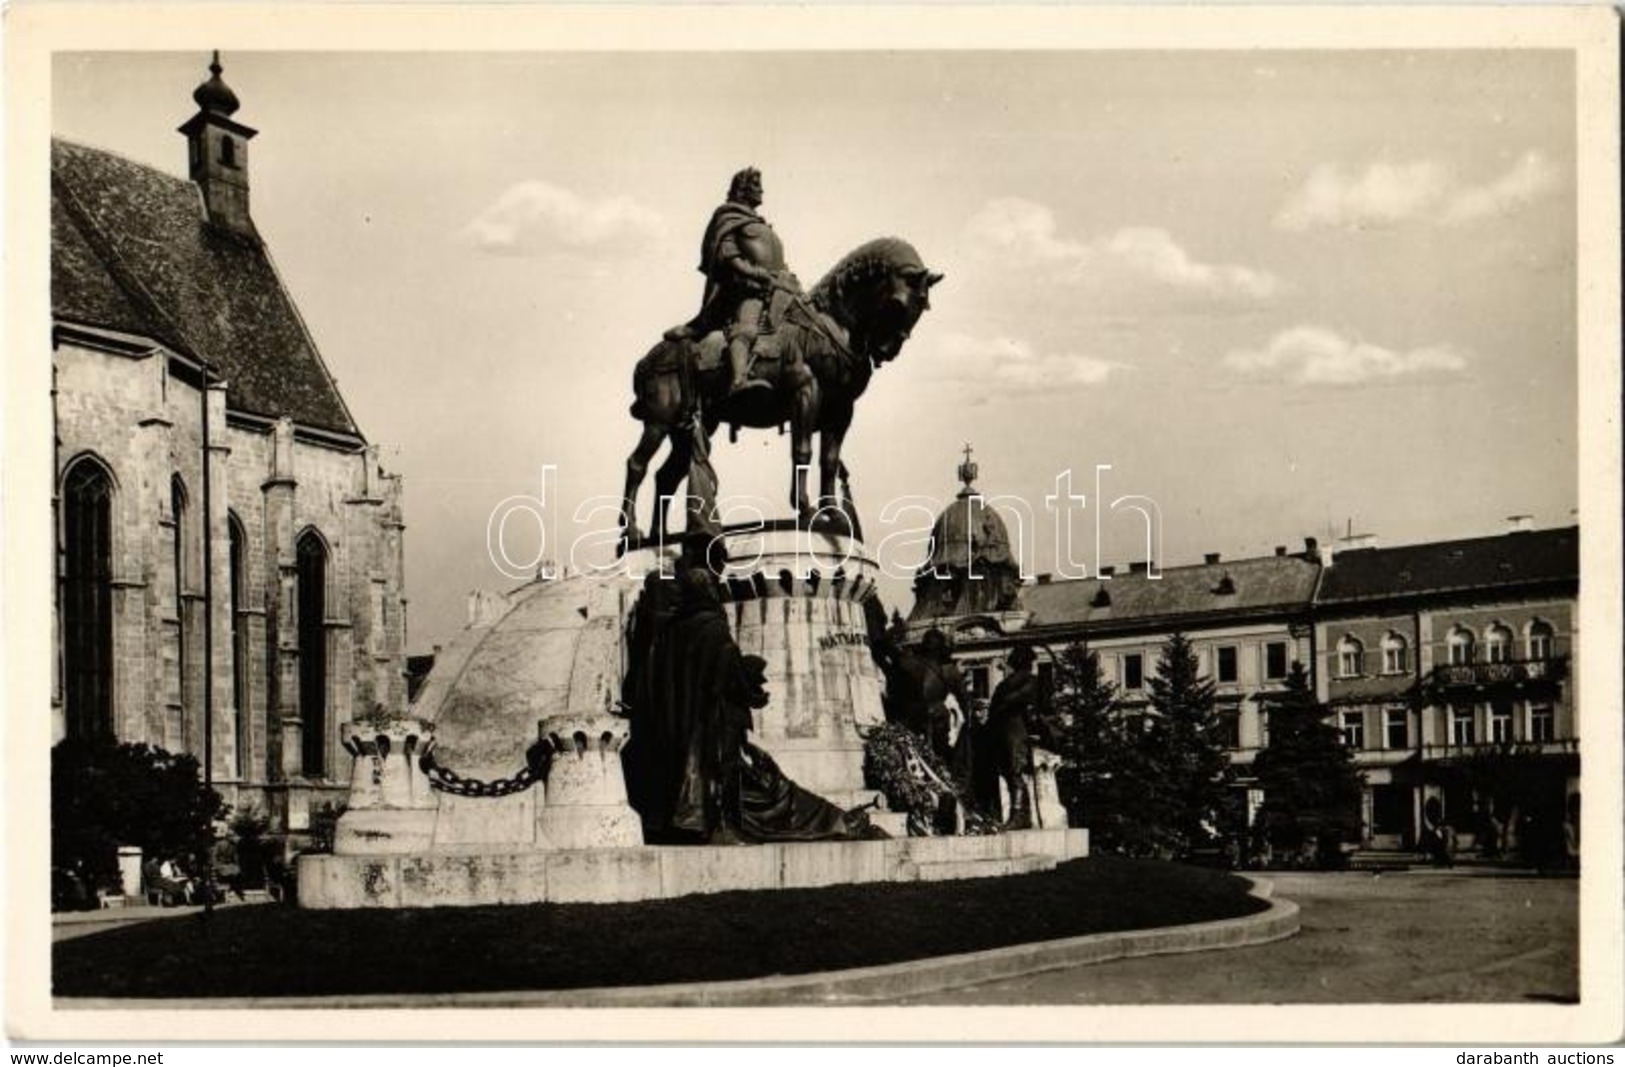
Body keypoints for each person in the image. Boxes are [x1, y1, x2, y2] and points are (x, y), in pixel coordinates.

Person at [667, 167, 798, 395]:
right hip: (747, 291)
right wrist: (756, 274)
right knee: (746, 329)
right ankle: (738, 380)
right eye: (757, 186)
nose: (762, 191)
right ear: (742, 189)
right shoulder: (727, 217)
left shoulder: (758, 222)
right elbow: (728, 257)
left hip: (778, 289)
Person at [985, 645, 1039, 829]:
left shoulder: (1022, 682)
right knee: (1011, 771)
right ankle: (1020, 814)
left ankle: (1019, 814)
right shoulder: (1021, 681)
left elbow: (1016, 700)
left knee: (1014, 771)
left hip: (1014, 728)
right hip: (1010, 728)